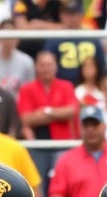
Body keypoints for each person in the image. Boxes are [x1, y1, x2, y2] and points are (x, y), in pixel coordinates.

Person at [18, 51, 78, 185]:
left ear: (56, 66)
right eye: (42, 65)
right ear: (37, 67)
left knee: (62, 182)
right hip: (37, 143)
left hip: (62, 143)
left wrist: (45, 111)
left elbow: (71, 112)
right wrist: (58, 115)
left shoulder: (66, 86)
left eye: (49, 64)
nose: (46, 68)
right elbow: (26, 119)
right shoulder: (27, 89)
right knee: (38, 182)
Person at [44, 1, 103, 85]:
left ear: (81, 14)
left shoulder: (92, 38)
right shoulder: (54, 39)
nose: (72, 18)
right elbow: (47, 67)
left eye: (75, 13)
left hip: (88, 88)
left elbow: (101, 65)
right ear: (61, 15)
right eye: (68, 14)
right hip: (62, 90)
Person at [0, 19, 35, 94]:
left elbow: (31, 90)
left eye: (11, 36)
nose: (8, 40)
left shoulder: (27, 62)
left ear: (17, 39)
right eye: (5, 37)